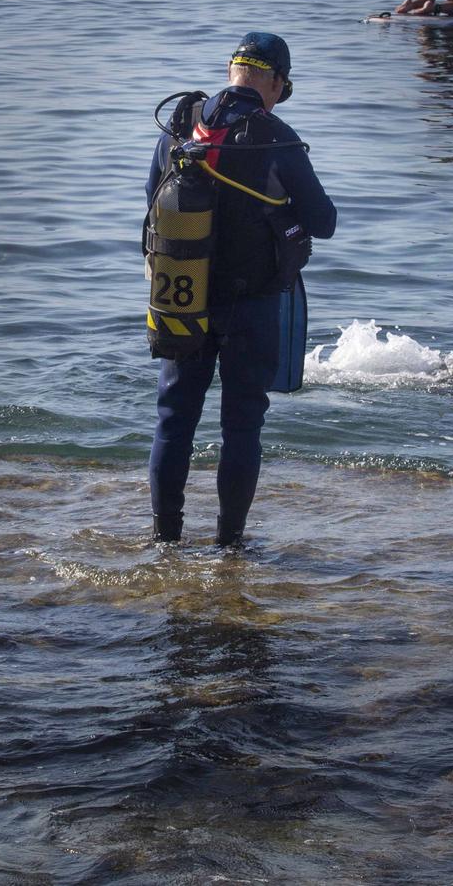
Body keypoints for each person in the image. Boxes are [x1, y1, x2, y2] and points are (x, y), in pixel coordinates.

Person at [146, 33, 336, 546]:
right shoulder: (277, 137)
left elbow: (150, 206)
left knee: (173, 421)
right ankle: (229, 546)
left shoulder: (177, 127)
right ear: (274, 81)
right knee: (241, 428)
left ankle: (164, 541)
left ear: (232, 70)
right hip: (250, 305)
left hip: (182, 293)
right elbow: (324, 222)